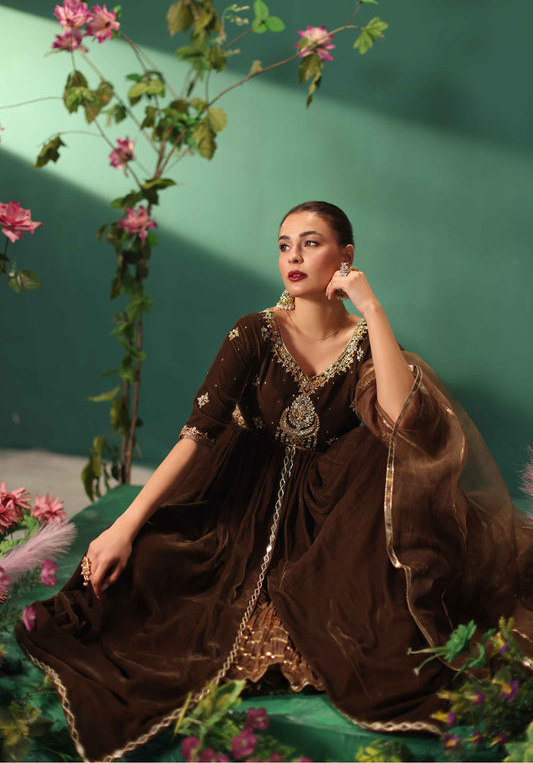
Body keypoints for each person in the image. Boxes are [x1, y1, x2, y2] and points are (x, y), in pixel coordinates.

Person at [16, 201, 533, 762]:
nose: (294, 257)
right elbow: (197, 434)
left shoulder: (364, 341)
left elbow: (401, 421)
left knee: (374, 598)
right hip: (239, 493)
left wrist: (373, 308)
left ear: (345, 256)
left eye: (311, 243)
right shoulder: (254, 333)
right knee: (153, 576)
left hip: (332, 508)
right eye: (285, 245)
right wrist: (123, 527)